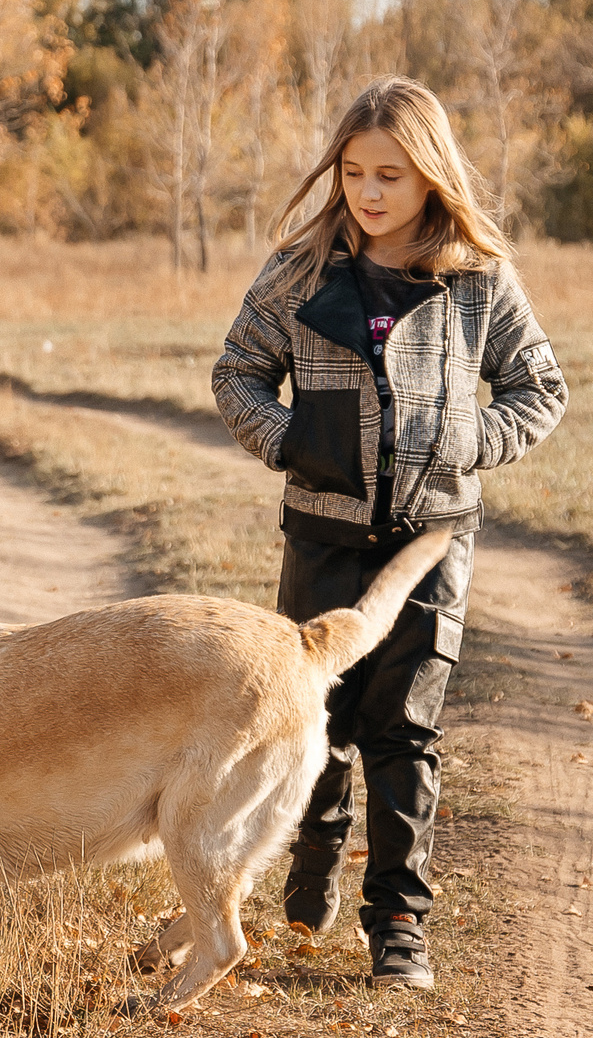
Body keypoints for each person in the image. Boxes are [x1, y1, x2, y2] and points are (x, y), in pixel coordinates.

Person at [212, 76, 568, 990]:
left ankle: (400, 926)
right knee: (317, 717)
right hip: (323, 533)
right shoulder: (301, 269)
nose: (370, 194)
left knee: (405, 731)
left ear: (432, 178)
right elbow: (237, 376)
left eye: (393, 177)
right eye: (356, 172)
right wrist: (297, 441)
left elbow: (539, 389)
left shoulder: (477, 278)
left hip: (428, 546)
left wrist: (466, 444)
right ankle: (312, 859)